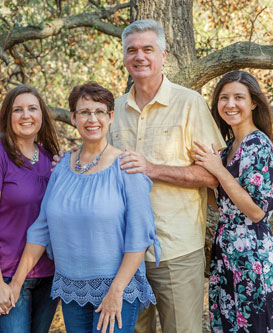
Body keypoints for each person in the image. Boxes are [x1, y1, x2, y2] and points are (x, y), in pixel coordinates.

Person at [11, 82, 161, 333]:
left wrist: (116, 292)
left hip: (118, 290)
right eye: (84, 112)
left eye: (100, 111)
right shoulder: (60, 168)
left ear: (110, 117)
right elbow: (41, 229)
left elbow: (139, 237)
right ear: (73, 117)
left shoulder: (127, 167)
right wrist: (16, 282)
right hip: (73, 290)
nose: (92, 119)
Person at [109, 19, 226, 332]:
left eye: (148, 49)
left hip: (176, 250)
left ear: (163, 55)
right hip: (125, 252)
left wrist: (153, 168)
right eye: (132, 50)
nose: (140, 57)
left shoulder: (190, 104)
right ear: (124, 58)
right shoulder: (114, 110)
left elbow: (213, 177)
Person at [192, 70, 273, 332]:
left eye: (239, 97)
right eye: (223, 98)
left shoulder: (258, 144)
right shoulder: (227, 147)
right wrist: (201, 177)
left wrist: (217, 170)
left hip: (254, 258)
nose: (230, 104)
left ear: (253, 103)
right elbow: (225, 206)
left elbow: (256, 211)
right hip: (227, 255)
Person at [0, 85, 60, 332]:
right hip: (5, 273)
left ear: (42, 115)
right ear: (8, 117)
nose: (26, 115)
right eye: (18, 110)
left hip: (46, 275)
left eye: (32, 108)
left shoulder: (51, 159)